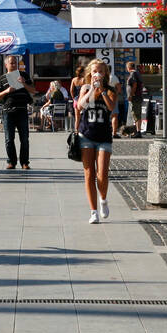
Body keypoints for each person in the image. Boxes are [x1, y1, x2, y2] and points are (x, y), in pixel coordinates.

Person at [75, 59, 115, 224]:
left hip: (104, 136)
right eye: (94, 71)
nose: (97, 74)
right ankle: (93, 212)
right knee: (89, 174)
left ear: (105, 73)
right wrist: (92, 88)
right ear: (90, 73)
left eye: (100, 71)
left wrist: (102, 91)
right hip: (87, 135)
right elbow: (80, 106)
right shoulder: (85, 88)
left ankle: (103, 199)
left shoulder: (110, 90)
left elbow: (112, 108)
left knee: (102, 174)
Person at [0, 54, 34, 170]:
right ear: (6, 65)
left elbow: (33, 90)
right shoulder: (2, 78)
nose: (14, 65)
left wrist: (24, 84)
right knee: (9, 139)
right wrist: (6, 91)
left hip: (22, 110)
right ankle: (11, 161)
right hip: (8, 111)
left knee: (24, 139)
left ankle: (25, 162)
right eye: (11, 63)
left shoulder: (24, 75)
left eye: (15, 63)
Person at [125, 61, 144, 135]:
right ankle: (137, 130)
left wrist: (131, 95)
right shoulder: (137, 73)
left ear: (128, 67)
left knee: (136, 114)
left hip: (135, 97)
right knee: (136, 114)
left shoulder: (133, 74)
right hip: (137, 96)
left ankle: (138, 131)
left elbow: (134, 84)